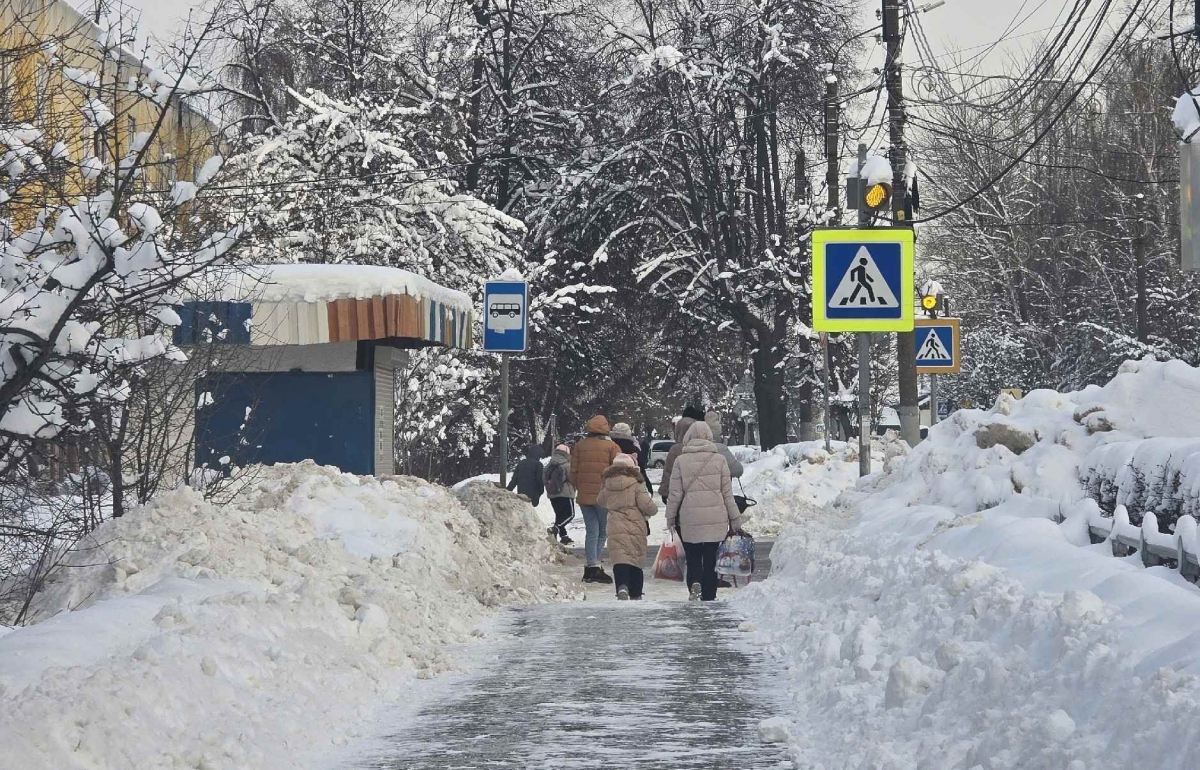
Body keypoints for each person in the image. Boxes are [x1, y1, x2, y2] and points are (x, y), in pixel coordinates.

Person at [665, 421, 747, 601]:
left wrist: (670, 517)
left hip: (690, 515)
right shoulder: (719, 460)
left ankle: (695, 582)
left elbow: (675, 494)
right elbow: (727, 493)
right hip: (716, 516)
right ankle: (709, 594)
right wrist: (735, 518)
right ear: (710, 437)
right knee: (711, 558)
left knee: (693, 556)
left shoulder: (681, 460)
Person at [596, 454, 657, 600]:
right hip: (635, 524)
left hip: (614, 525)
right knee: (635, 558)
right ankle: (636, 592)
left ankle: (622, 586)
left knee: (620, 558)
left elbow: (600, 501)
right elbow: (648, 507)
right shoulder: (636, 483)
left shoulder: (608, 483)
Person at [569, 415, 620, 584]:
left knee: (592, 530)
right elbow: (618, 471)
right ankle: (594, 565)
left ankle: (592, 565)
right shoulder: (612, 447)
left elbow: (573, 472)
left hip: (584, 495)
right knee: (602, 531)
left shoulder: (579, 446)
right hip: (603, 496)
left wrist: (580, 487)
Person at [658, 405, 705, 503]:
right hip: (703, 495)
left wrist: (665, 492)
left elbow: (668, 472)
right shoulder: (706, 447)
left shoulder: (675, 449)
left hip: (679, 496)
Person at [543, 444, 576, 545]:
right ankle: (555, 529)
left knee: (559, 515)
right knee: (570, 514)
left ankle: (563, 536)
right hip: (565, 494)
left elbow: (544, 479)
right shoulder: (566, 464)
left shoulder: (549, 464)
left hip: (553, 494)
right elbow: (572, 478)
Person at [610, 422, 653, 495]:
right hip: (632, 485)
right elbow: (641, 466)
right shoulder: (633, 447)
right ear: (628, 433)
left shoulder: (608, 446)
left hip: (611, 485)